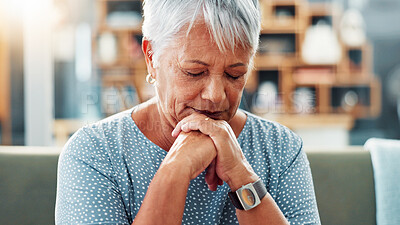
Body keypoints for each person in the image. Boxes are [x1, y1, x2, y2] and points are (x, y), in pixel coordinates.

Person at [55, 0, 321, 224]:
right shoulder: (95, 152)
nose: (216, 95)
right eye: (194, 72)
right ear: (151, 58)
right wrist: (176, 169)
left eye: (234, 74)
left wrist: (241, 175)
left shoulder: (281, 149)